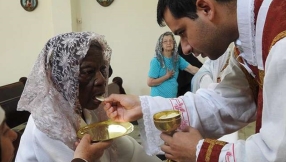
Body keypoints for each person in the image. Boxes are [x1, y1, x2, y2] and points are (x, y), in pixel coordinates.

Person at [104, 0, 286, 161]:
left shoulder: (281, 41)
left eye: (182, 32)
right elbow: (224, 101)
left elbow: (278, 153)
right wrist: (143, 107)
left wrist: (200, 152)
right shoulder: (252, 34)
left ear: (206, 8)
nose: (185, 48)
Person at [15, 32, 162, 162]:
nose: (102, 80)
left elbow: (126, 149)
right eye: (88, 71)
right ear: (62, 79)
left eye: (102, 69)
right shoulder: (47, 125)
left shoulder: (85, 108)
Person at [0, 106, 105, 162]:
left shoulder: (87, 108)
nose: (14, 135)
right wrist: (84, 159)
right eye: (4, 132)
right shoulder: (46, 121)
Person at [148, 31, 199, 98]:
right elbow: (150, 82)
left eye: (171, 41)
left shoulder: (177, 58)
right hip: (158, 100)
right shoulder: (156, 60)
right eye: (165, 41)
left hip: (172, 99)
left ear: (174, 43)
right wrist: (166, 76)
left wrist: (210, 73)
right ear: (161, 44)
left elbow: (192, 69)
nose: (168, 43)